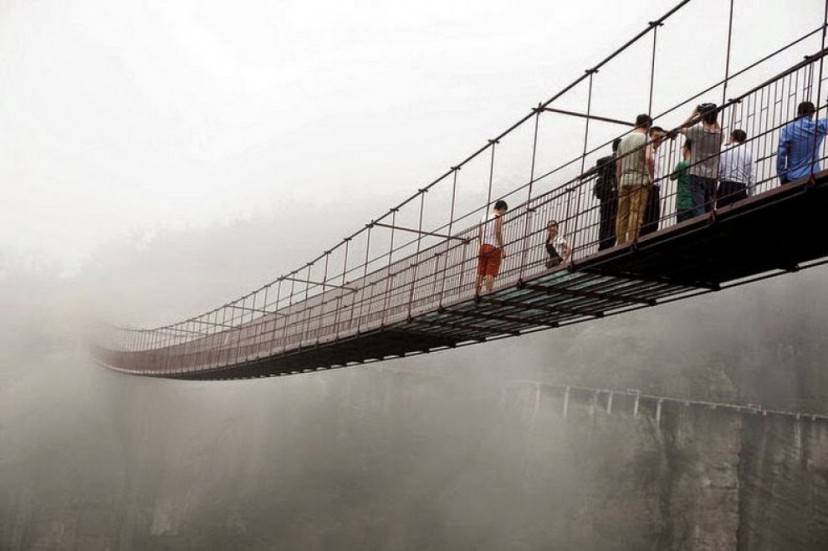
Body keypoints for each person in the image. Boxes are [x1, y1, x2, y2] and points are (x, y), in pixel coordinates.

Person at [615, 114, 654, 245]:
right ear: (648, 126)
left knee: (622, 215)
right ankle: (632, 240)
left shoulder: (623, 141)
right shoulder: (646, 138)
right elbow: (648, 158)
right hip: (639, 180)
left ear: (636, 123)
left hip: (624, 181)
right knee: (635, 213)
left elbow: (618, 164)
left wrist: (619, 180)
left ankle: (620, 242)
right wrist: (651, 177)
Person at [678, 103, 722, 215]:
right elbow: (716, 127)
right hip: (712, 176)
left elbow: (681, 128)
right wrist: (713, 113)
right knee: (709, 207)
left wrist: (693, 114)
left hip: (697, 174)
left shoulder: (698, 130)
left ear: (703, 117)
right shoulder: (720, 135)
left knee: (698, 207)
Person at [777, 100, 828, 184]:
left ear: (798, 113)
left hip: (793, 178)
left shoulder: (787, 130)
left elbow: (780, 155)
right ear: (812, 113)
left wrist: (782, 176)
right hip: (813, 176)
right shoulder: (818, 127)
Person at [592, 138, 621, 250]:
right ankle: (609, 244)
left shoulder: (603, 161)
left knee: (604, 220)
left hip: (604, 194)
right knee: (613, 220)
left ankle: (603, 245)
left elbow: (595, 168)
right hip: (613, 192)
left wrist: (583, 175)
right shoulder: (619, 159)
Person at [476, 200, 508, 295]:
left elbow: (480, 234)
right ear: (502, 209)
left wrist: (481, 246)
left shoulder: (483, 218)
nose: (503, 214)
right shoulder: (498, 217)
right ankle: (488, 293)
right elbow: (498, 232)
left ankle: (477, 293)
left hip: (483, 246)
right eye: (504, 212)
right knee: (490, 272)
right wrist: (502, 249)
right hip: (493, 247)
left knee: (480, 272)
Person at [641, 126, 667, 236]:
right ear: (650, 136)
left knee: (654, 219)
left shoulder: (656, 152)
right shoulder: (648, 150)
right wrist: (651, 179)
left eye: (661, 137)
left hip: (655, 187)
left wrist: (668, 133)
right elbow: (647, 161)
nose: (659, 139)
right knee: (648, 218)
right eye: (656, 136)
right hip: (649, 186)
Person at [717, 129, 753, 208]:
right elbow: (750, 176)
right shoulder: (748, 153)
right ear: (744, 140)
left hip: (725, 186)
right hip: (740, 187)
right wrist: (750, 194)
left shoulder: (723, 150)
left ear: (732, 137)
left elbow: (718, 171)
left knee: (722, 213)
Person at [671, 140, 694, 222]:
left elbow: (672, 177)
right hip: (695, 203)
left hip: (683, 203)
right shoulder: (698, 164)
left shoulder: (682, 164)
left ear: (686, 149)